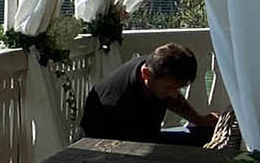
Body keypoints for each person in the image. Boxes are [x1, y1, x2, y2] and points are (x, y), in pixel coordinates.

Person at [79, 42, 218, 145]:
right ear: (146, 74)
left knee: (206, 134)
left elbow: (173, 99)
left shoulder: (155, 66)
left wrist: (198, 120)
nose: (174, 94)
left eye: (177, 89)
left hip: (145, 137)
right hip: (114, 146)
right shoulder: (118, 103)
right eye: (169, 88)